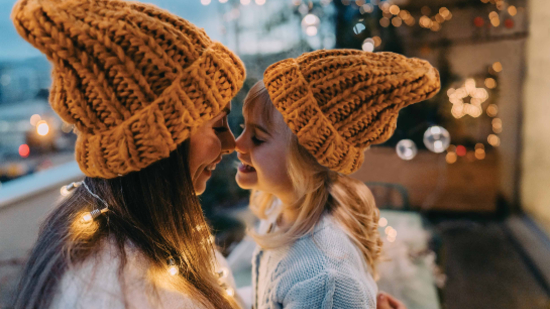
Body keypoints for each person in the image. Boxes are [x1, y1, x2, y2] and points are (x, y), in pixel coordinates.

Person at [10, 0, 246, 308]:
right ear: (161, 141)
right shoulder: (128, 292)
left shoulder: (139, 235)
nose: (232, 143)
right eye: (217, 127)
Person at [235, 49, 440, 309]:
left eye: (257, 138)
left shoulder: (324, 284)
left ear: (310, 159)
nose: (236, 144)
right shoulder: (279, 211)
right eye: (243, 128)